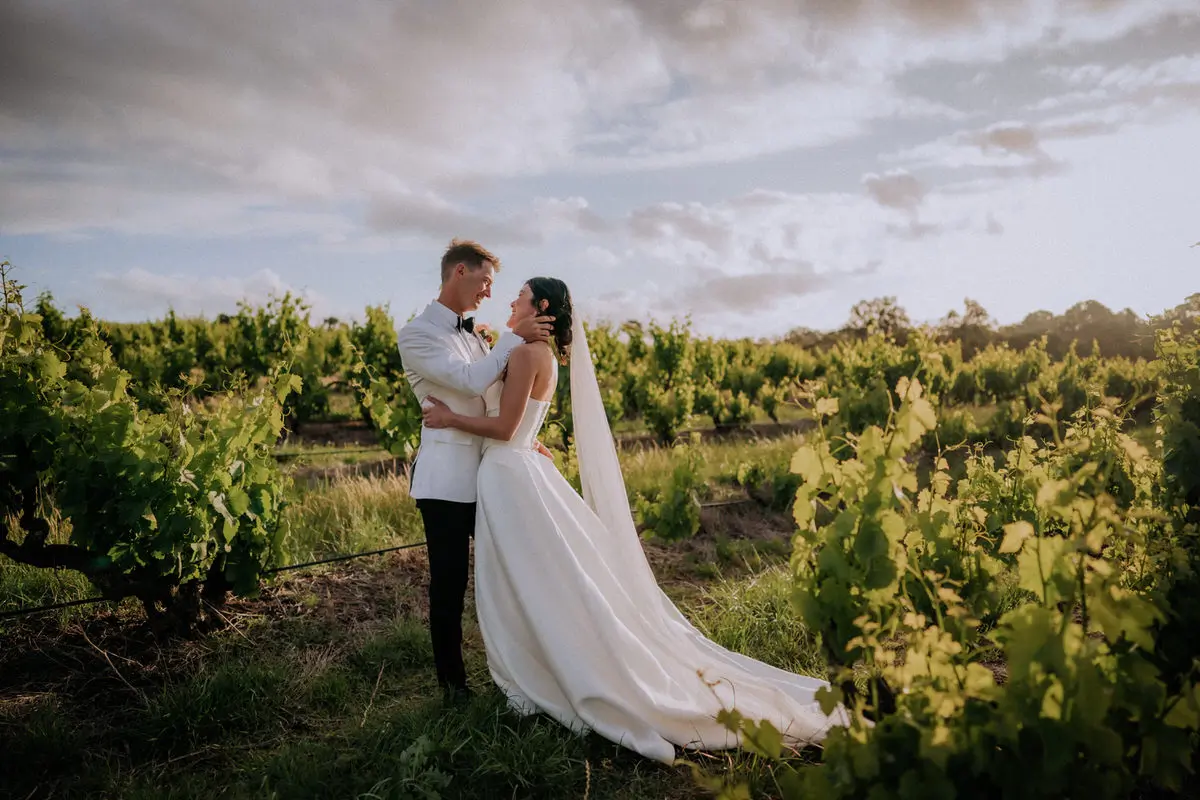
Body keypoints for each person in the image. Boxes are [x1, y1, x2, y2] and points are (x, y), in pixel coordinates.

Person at [420, 277, 851, 764]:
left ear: (540, 306)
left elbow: (503, 427)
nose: (511, 302)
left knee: (527, 582)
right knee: (539, 579)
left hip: (507, 474)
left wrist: (449, 420)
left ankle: (549, 669)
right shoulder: (536, 355)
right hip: (517, 469)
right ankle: (548, 660)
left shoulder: (524, 355)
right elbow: (521, 425)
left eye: (519, 295)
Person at [396, 239, 555, 703]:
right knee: (449, 585)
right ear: (458, 272)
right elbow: (469, 380)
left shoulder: (476, 335)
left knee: (503, 578)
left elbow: (491, 397)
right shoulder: (418, 334)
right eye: (485, 280)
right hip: (445, 480)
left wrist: (525, 435)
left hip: (493, 474)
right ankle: (454, 687)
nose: (489, 290)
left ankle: (519, 670)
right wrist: (514, 335)